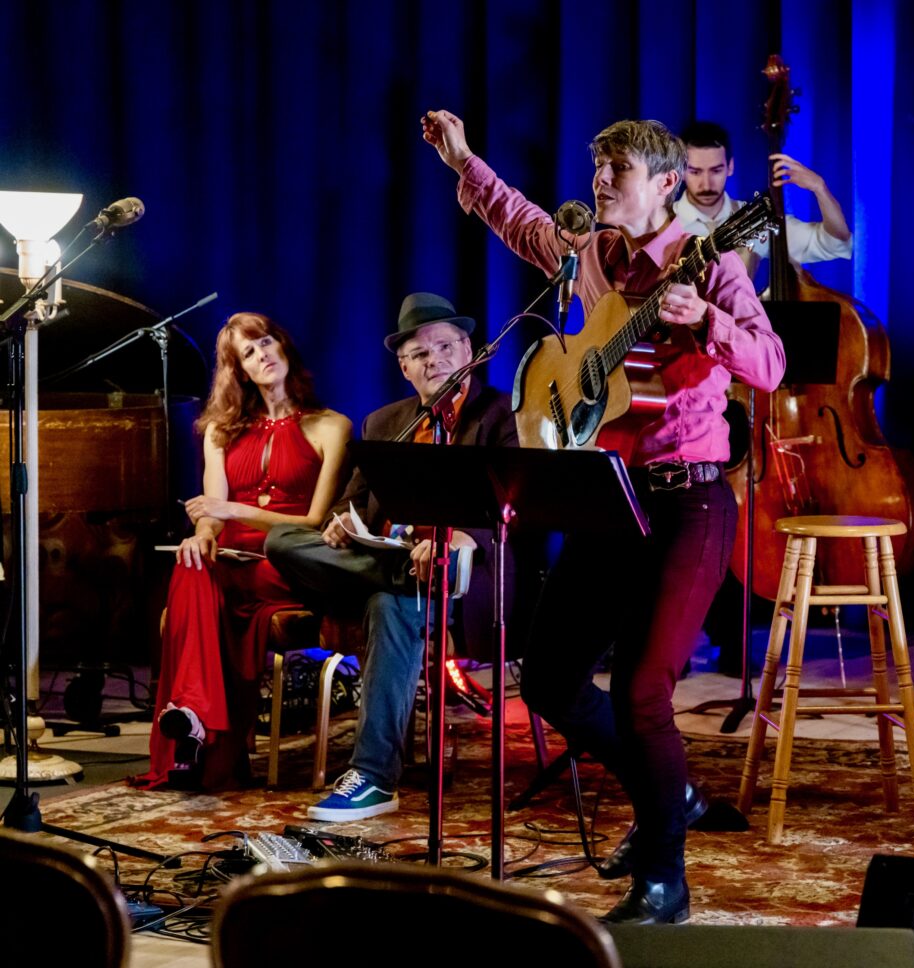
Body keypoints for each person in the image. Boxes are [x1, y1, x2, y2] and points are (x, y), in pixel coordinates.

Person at [422, 109, 784, 924]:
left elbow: (769, 364)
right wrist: (465, 159)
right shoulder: (589, 254)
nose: (598, 186)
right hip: (607, 491)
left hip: (689, 498)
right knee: (547, 676)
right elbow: (521, 222)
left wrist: (711, 323)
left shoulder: (712, 261)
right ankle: (672, 797)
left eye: (614, 175)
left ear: (664, 186)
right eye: (596, 173)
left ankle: (665, 879)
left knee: (641, 690)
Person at [265, 292, 518, 822]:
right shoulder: (385, 421)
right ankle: (407, 574)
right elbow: (351, 503)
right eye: (420, 355)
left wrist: (458, 540)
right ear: (404, 368)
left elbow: (514, 505)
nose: (435, 361)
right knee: (283, 542)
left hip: (468, 577)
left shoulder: (500, 414)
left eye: (445, 347)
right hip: (394, 561)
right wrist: (341, 525)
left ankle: (374, 780)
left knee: (389, 604)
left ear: (468, 349)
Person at [132, 312, 351, 791]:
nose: (263, 355)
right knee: (191, 564)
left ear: (285, 347)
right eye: (248, 353)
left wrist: (228, 510)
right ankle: (192, 719)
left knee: (204, 580)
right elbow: (210, 515)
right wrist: (203, 534)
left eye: (267, 342)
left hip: (289, 559)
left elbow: (314, 522)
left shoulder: (331, 426)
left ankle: (193, 722)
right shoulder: (220, 431)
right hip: (229, 563)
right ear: (240, 371)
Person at [674, 120, 852, 277]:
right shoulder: (662, 223)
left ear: (730, 167)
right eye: (695, 172)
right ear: (680, 170)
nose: (706, 184)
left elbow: (835, 242)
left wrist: (819, 188)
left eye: (716, 171)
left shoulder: (757, 221)